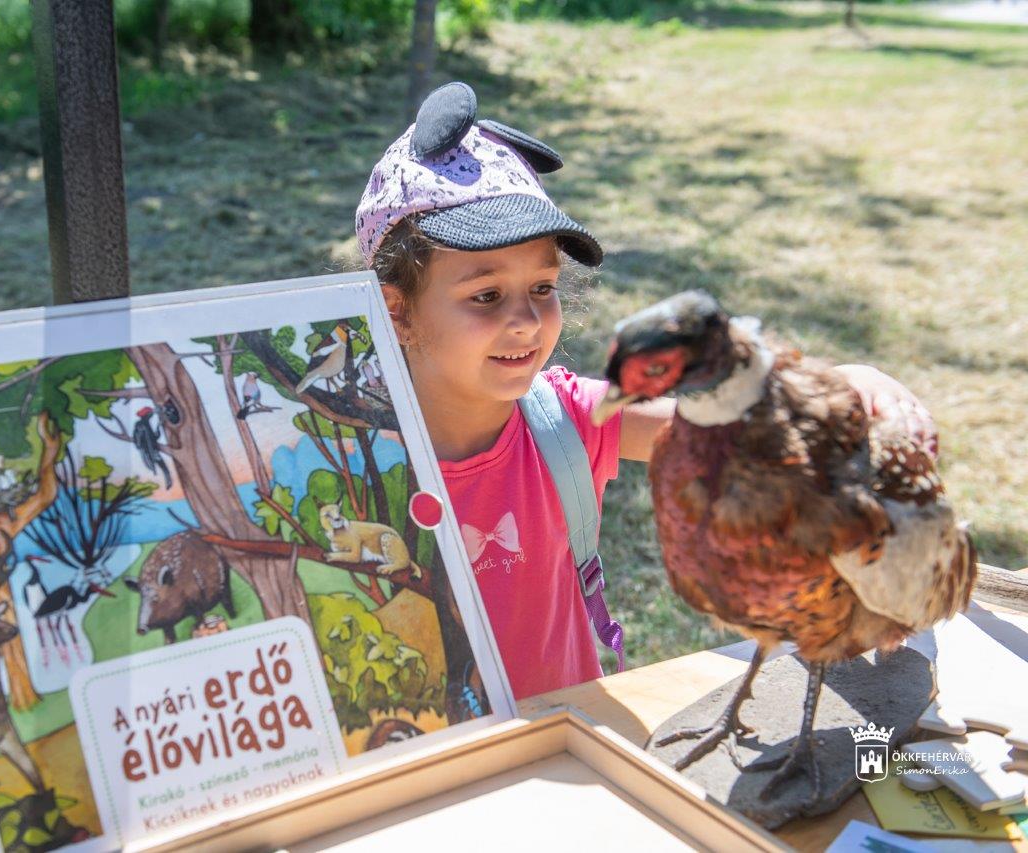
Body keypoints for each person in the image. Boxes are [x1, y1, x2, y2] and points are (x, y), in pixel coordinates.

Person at [355, 82, 936, 701]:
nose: (525, 321)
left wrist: (845, 383)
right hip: (407, 749)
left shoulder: (567, 420)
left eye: (543, 288)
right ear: (396, 311)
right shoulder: (339, 453)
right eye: (487, 295)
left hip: (569, 734)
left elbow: (733, 419)